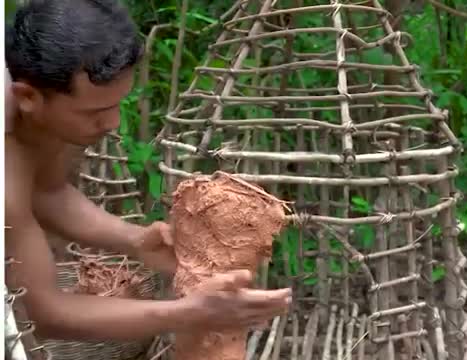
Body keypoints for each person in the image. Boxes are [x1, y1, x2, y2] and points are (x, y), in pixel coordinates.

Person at [4, 0, 291, 342]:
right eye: (93, 111)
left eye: (117, 105)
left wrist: (134, 240)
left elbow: (47, 192)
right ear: (27, 96)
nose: (112, 123)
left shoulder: (43, 111)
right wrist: (190, 313)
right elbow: (45, 313)